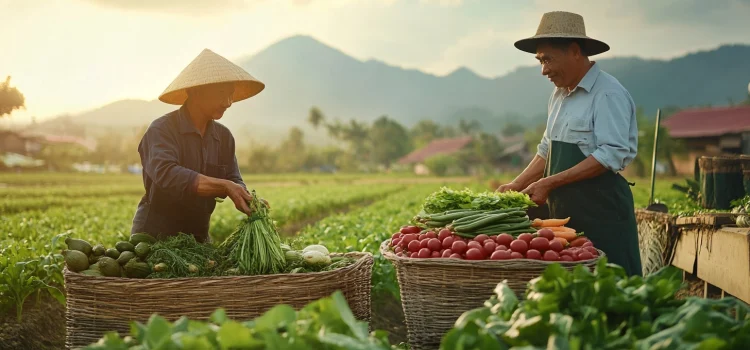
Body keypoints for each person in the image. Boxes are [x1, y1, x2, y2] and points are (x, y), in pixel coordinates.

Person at [496, 11, 643, 276]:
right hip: (564, 216)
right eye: (540, 60)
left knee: (615, 289)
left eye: (549, 59)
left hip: (602, 213)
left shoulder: (607, 94)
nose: (544, 70)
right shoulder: (559, 95)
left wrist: (549, 183)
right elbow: (547, 149)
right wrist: (518, 184)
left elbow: (612, 154)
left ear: (575, 51)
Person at [131, 49, 267, 243]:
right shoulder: (162, 129)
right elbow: (167, 174)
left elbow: (232, 177)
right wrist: (224, 186)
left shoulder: (224, 137)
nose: (228, 102)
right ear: (194, 91)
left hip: (198, 236)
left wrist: (247, 198)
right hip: (155, 236)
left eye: (230, 95)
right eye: (221, 93)